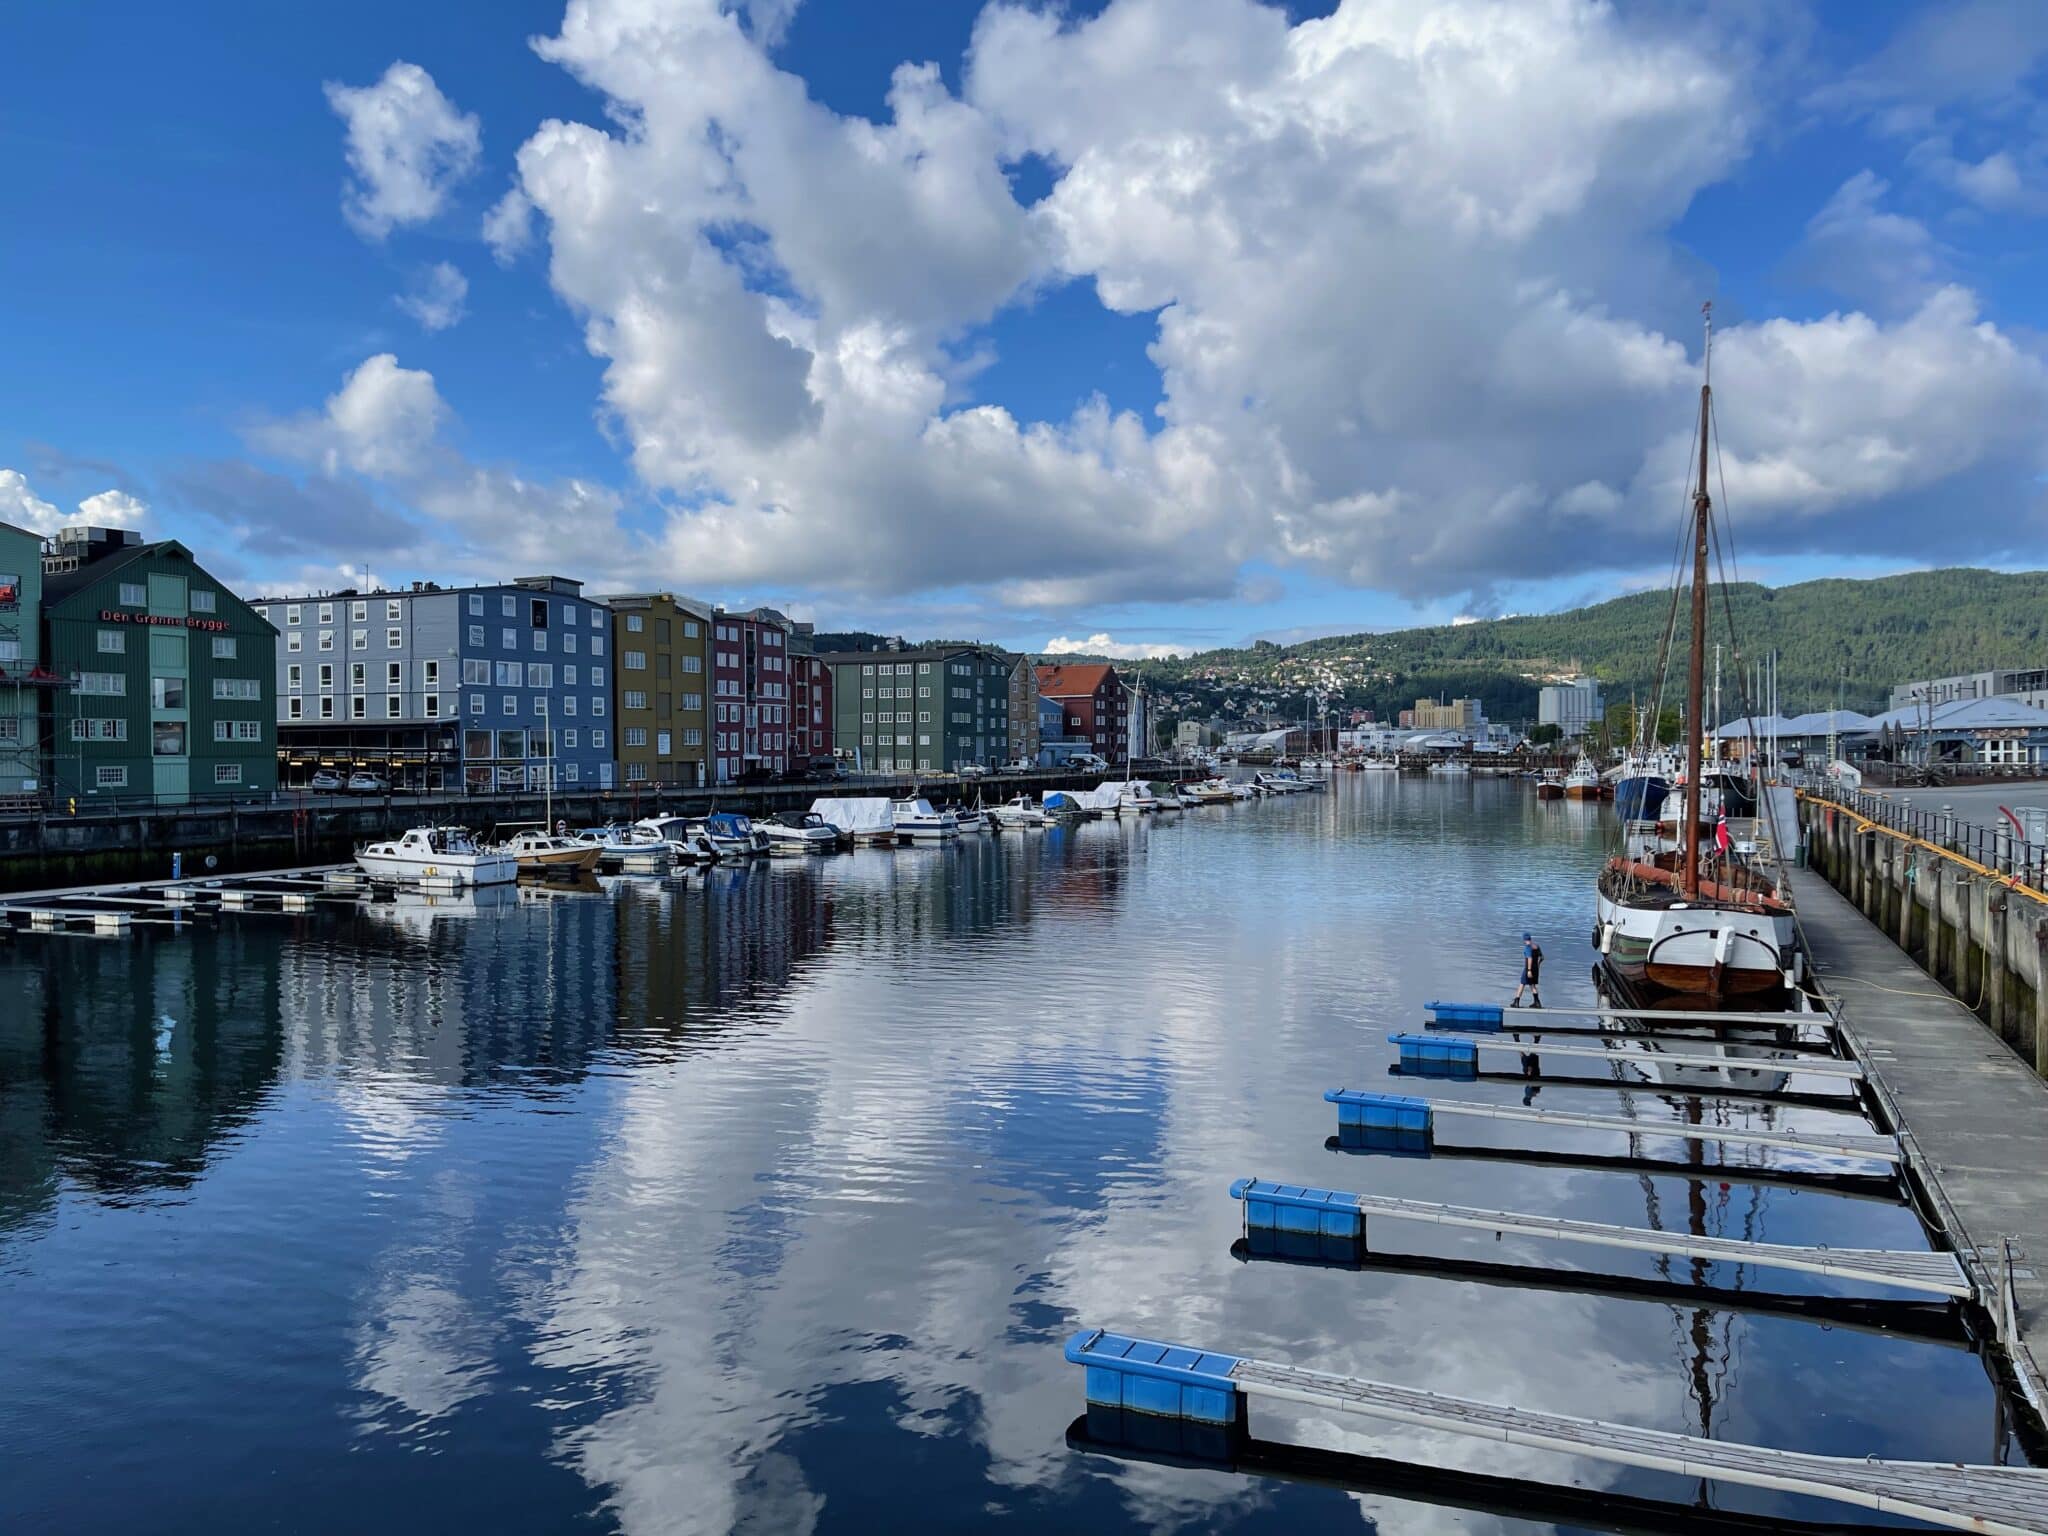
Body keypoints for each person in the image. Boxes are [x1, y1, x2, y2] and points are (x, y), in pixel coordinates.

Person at [1510, 931, 1543, 1008]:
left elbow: (1529, 958)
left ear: (1524, 939)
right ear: (1530, 938)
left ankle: (1516, 1002)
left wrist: (1529, 970)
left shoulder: (1528, 947)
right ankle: (1537, 1003)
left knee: (1522, 983)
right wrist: (1537, 965)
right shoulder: (1537, 946)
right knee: (1532, 985)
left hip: (1529, 969)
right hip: (1536, 969)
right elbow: (1542, 957)